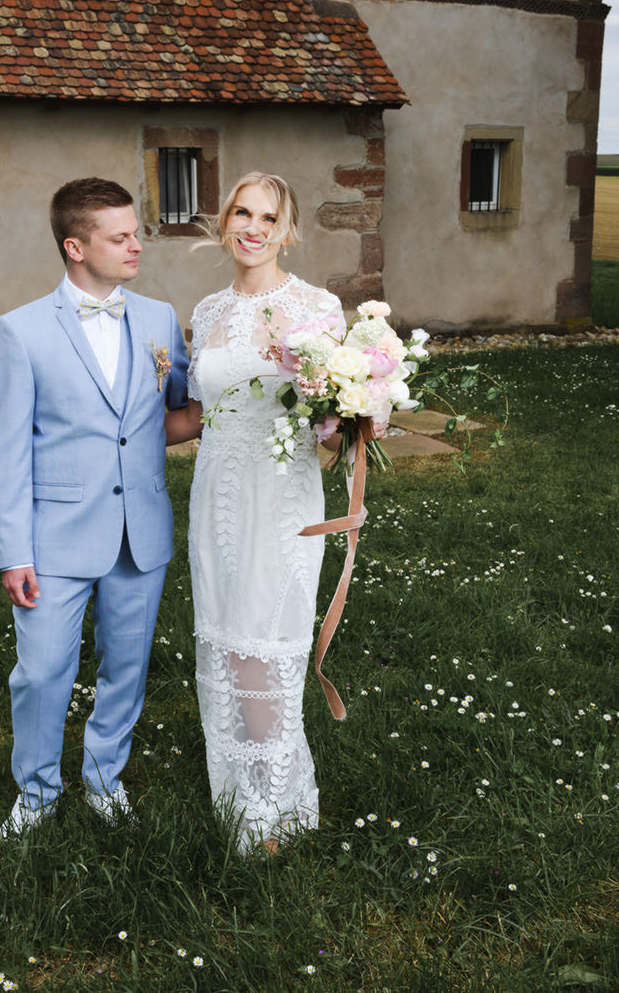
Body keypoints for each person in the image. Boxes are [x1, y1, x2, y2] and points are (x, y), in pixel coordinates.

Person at [0, 177, 191, 838]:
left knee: (126, 665)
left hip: (141, 530)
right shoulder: (21, 331)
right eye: (120, 236)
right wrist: (13, 550)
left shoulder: (160, 318)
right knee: (43, 670)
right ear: (75, 246)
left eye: (137, 231)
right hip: (55, 535)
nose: (138, 245)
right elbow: (9, 450)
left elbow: (178, 414)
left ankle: (106, 777)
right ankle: (38, 790)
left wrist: (265, 392)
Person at [162, 171, 348, 854]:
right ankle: (241, 800)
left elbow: (332, 417)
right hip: (218, 496)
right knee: (227, 638)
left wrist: (354, 414)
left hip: (282, 497)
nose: (253, 228)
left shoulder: (316, 306)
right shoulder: (206, 311)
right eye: (243, 212)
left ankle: (274, 808)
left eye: (269, 218)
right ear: (225, 220)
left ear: (288, 231)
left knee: (267, 643)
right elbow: (197, 416)